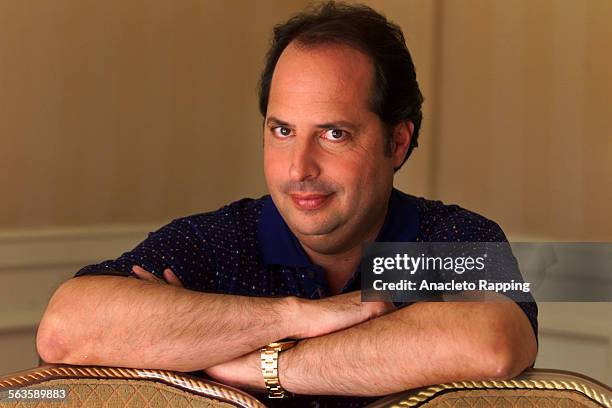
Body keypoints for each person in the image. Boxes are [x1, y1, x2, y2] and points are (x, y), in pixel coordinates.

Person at [36, 2, 537, 407]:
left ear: (398, 142)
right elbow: (65, 330)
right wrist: (294, 317)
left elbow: (490, 338)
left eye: (334, 133)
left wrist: (265, 366)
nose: (298, 168)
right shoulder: (218, 242)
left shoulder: (442, 239)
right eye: (282, 131)